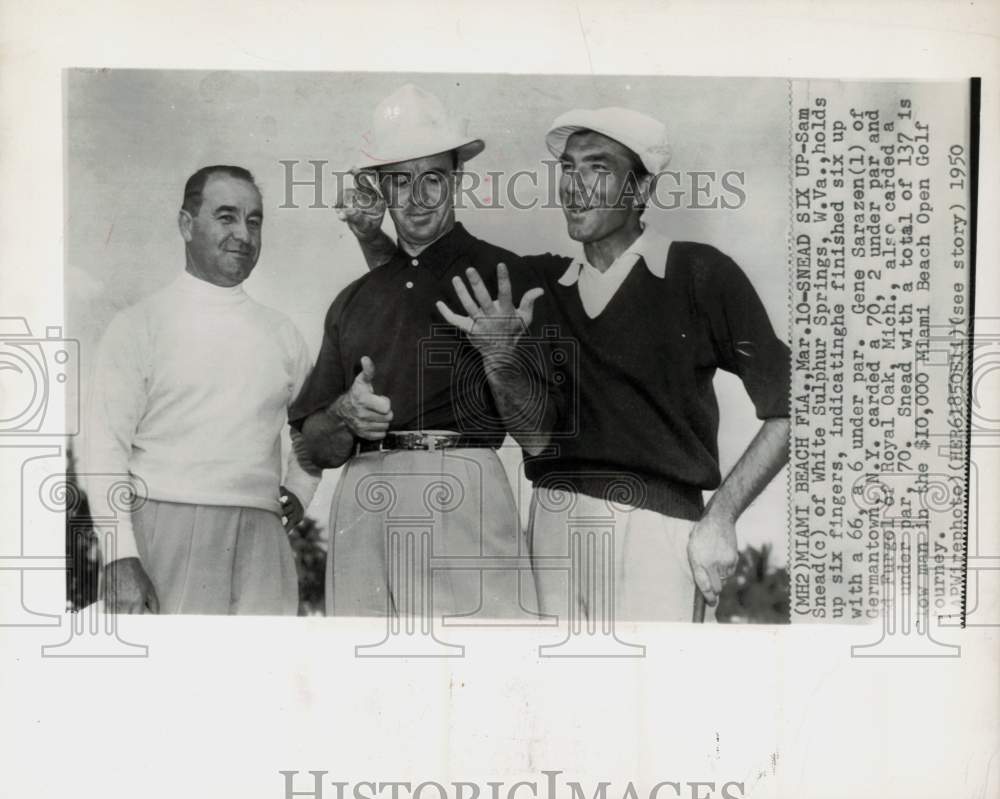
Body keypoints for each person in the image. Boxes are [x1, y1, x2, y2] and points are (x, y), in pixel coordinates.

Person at [348, 106, 791, 623]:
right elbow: (418, 286)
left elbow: (795, 402)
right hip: (550, 528)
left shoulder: (697, 271)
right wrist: (370, 237)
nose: (575, 186)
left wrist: (722, 516)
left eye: (599, 168)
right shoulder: (535, 285)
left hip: (657, 530)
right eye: (567, 167)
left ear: (641, 191)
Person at [289, 85, 546, 619]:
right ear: (380, 189)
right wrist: (341, 414)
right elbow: (316, 448)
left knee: (483, 678)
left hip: (467, 492)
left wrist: (501, 357)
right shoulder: (353, 300)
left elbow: (541, 436)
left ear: (458, 179)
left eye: (432, 178)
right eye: (400, 181)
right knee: (365, 685)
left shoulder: (506, 278)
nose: (417, 197)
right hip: (362, 499)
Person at [86, 165, 320, 615]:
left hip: (262, 537)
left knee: (262, 679)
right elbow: (105, 448)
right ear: (186, 225)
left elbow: (312, 430)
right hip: (165, 528)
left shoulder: (282, 333)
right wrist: (119, 555)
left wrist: (300, 490)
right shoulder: (140, 325)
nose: (243, 235)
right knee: (175, 681)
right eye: (226, 217)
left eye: (254, 221)